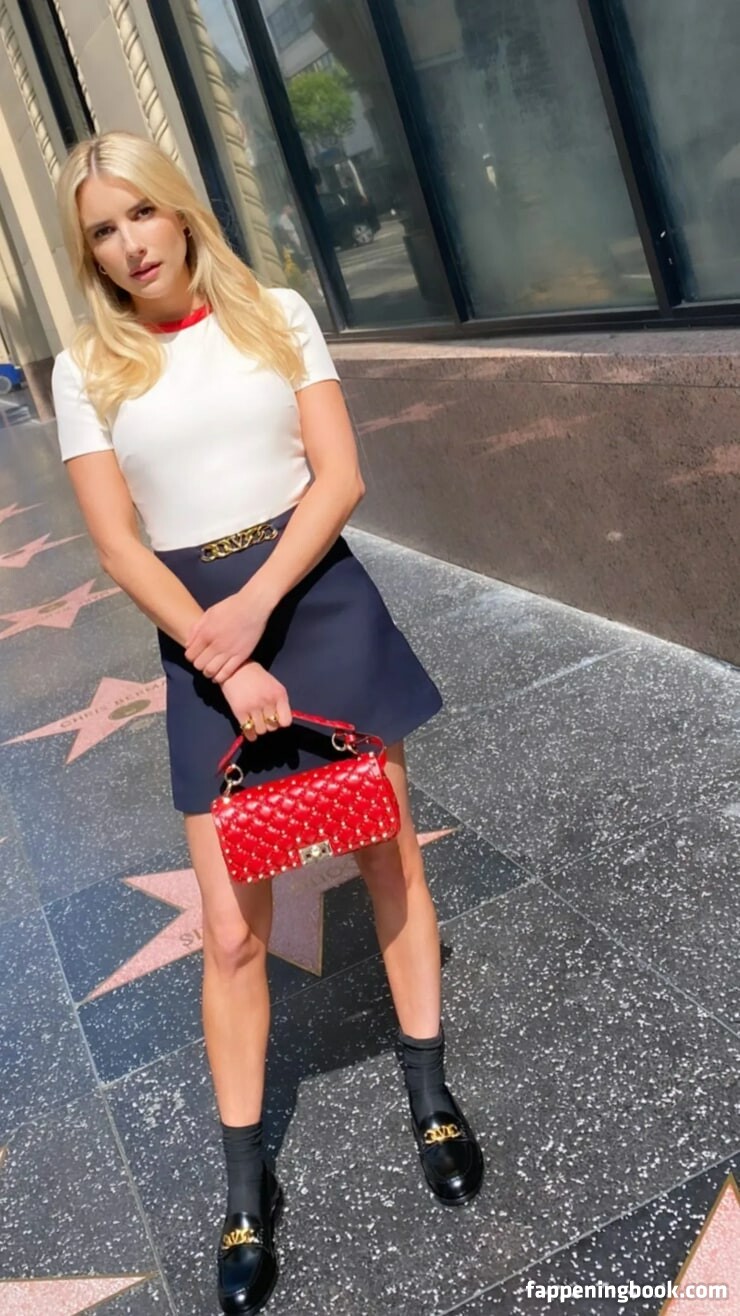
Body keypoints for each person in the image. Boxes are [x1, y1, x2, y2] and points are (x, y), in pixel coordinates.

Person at [51, 130, 484, 1316]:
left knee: (388, 858)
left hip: (316, 602)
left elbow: (337, 476)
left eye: (141, 212)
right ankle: (245, 1186)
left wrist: (256, 608)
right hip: (199, 636)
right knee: (232, 932)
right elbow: (118, 543)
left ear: (180, 209)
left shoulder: (276, 314)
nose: (129, 243)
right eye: (101, 229)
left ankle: (429, 1095)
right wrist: (223, 646)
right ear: (87, 250)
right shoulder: (87, 367)